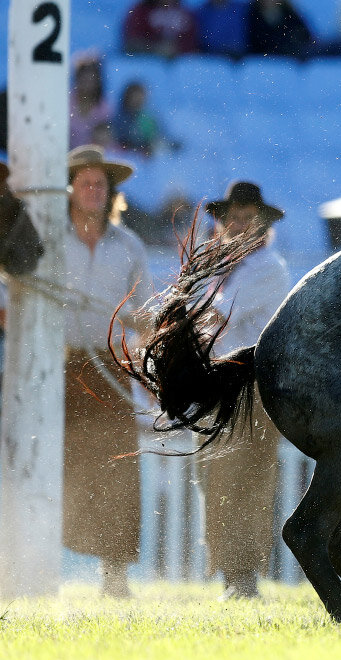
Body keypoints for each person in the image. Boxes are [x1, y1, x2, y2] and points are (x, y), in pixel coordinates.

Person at [63, 145, 154, 598]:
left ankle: (114, 576)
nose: (94, 190)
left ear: (110, 191)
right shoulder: (50, 238)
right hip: (57, 368)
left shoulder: (130, 246)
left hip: (112, 370)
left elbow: (147, 316)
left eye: (100, 183)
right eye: (85, 183)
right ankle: (27, 564)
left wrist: (142, 362)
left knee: (118, 471)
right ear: (72, 190)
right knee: (49, 462)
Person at [200, 181, 292, 599]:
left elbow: (212, 316)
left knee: (244, 477)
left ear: (261, 225)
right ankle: (233, 574)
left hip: (251, 385)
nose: (237, 226)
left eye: (245, 219)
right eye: (231, 218)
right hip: (220, 382)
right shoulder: (219, 266)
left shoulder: (268, 267)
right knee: (216, 477)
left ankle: (243, 577)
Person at [112, 80, 180, 158]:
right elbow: (120, 138)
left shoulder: (149, 117)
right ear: (127, 98)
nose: (137, 101)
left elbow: (160, 135)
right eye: (134, 97)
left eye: (140, 97)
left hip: (149, 148)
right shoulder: (120, 117)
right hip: (129, 150)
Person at [122, 0, 199, 57]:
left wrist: (177, 50)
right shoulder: (141, 11)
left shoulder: (185, 12)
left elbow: (193, 44)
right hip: (147, 63)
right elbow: (131, 43)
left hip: (180, 66)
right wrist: (156, 49)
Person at [245, 0, 318, 58]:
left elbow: (306, 38)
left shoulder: (291, 15)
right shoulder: (250, 15)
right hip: (262, 63)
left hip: (289, 62)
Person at [69, 53, 113, 148]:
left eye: (91, 80)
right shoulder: (66, 102)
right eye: (84, 79)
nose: (87, 84)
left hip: (92, 159)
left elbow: (105, 141)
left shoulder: (103, 108)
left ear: (97, 82)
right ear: (77, 79)